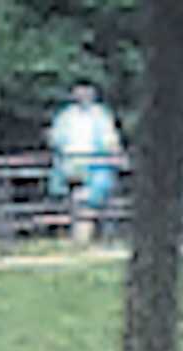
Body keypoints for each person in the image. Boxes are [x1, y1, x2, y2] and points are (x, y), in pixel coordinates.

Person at [46, 81, 125, 247]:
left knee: (88, 202)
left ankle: (82, 240)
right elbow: (55, 138)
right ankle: (72, 239)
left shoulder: (101, 115)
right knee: (72, 202)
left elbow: (110, 140)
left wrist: (115, 155)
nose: (83, 94)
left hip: (95, 165)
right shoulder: (66, 115)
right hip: (69, 165)